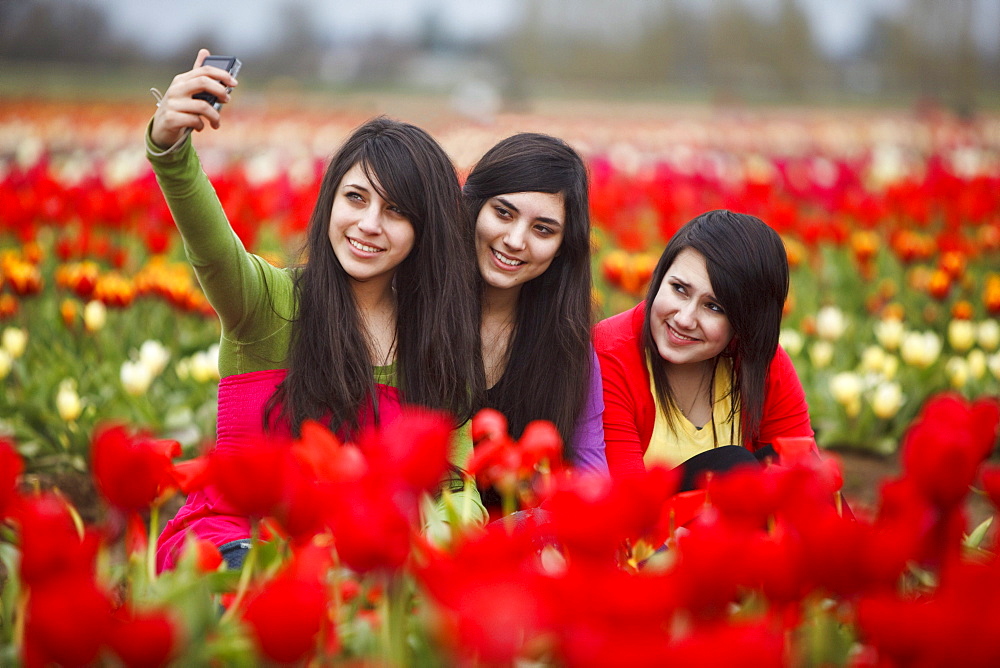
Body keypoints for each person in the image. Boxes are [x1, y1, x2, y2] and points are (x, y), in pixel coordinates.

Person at [147, 50, 486, 570]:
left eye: (395, 211)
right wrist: (171, 148)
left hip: (351, 562)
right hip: (235, 549)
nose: (368, 224)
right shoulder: (269, 304)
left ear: (426, 231)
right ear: (329, 203)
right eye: (355, 198)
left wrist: (451, 541)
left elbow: (453, 485)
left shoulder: (436, 345)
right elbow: (211, 248)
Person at [593, 209, 813, 486]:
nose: (684, 319)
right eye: (679, 289)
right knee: (732, 467)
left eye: (714, 306)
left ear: (746, 321)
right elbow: (627, 498)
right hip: (648, 521)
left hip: (732, 521)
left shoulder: (760, 360)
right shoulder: (611, 351)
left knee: (794, 466)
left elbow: (811, 485)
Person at [462, 133, 608, 511]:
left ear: (564, 246)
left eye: (542, 229)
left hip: (526, 549)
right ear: (474, 207)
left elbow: (592, 474)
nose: (514, 240)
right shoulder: (412, 312)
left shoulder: (568, 349)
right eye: (503, 213)